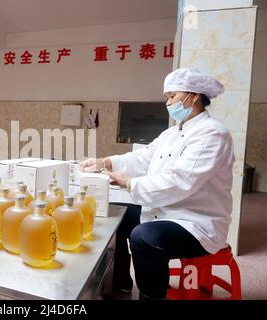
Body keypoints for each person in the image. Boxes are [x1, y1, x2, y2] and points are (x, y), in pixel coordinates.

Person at [80, 68, 235, 300]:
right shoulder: (171, 133)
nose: (168, 103)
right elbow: (144, 157)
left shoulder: (212, 134)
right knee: (115, 214)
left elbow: (180, 181)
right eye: (166, 98)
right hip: (167, 210)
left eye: (172, 96)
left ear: (193, 96)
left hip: (196, 222)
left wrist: (131, 183)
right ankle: (119, 282)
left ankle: (152, 296)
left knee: (144, 237)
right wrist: (106, 161)